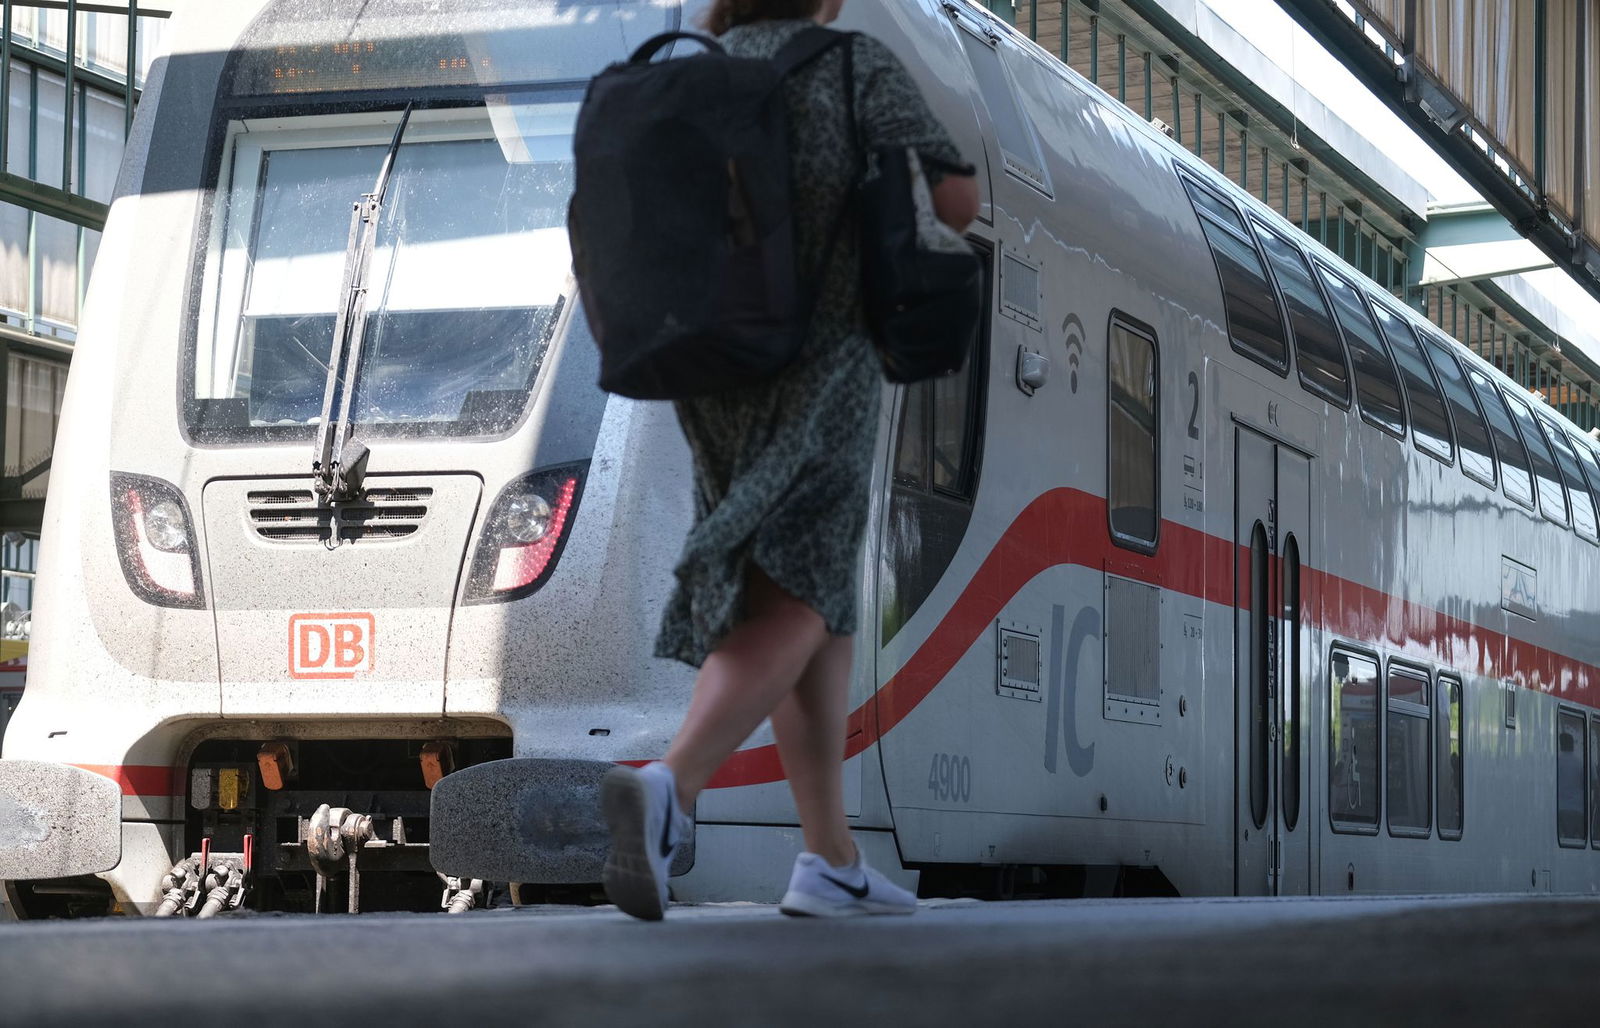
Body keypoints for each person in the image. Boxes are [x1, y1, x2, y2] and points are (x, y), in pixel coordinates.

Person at [599, 0, 981, 921]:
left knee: (814, 592)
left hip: (710, 372)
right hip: (825, 366)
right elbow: (958, 200)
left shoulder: (691, 74)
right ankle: (672, 784)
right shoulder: (852, 67)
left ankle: (830, 861)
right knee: (803, 595)